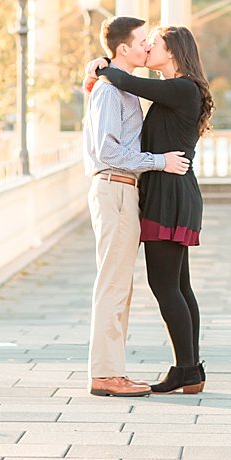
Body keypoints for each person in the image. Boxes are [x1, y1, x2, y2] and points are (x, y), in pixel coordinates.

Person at [86, 24, 213, 395]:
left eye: (152, 44)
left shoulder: (182, 87)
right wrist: (104, 70)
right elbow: (125, 88)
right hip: (166, 191)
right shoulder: (173, 91)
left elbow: (129, 83)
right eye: (142, 43)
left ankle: (187, 368)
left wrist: (105, 66)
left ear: (172, 52)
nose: (147, 48)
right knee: (178, 286)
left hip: (169, 194)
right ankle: (189, 369)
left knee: (166, 285)